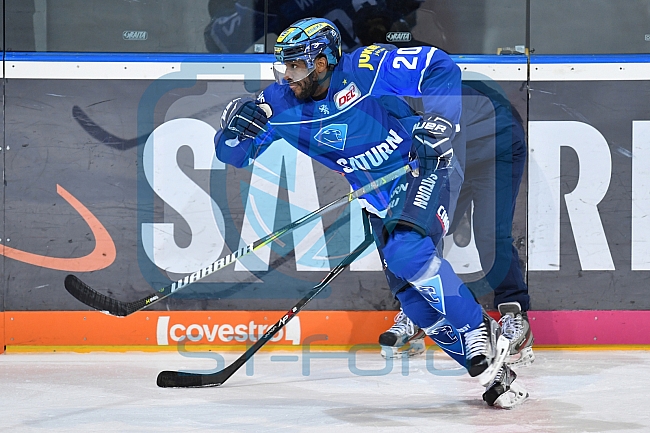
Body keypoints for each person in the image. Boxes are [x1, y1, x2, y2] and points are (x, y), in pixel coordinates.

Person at [214, 17, 527, 408]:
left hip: (422, 166)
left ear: (324, 61)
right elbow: (234, 154)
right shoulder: (280, 102)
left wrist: (441, 120)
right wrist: (233, 128)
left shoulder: (365, 67)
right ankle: (495, 376)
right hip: (377, 199)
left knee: (406, 251)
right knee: (414, 300)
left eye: (295, 65)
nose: (286, 75)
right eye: (284, 65)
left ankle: (479, 327)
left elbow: (438, 66)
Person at [379, 81, 534, 370]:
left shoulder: (437, 105)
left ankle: (515, 312)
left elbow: (450, 166)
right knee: (419, 231)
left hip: (496, 149)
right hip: (451, 154)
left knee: (489, 233)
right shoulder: (384, 106)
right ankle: (417, 312)